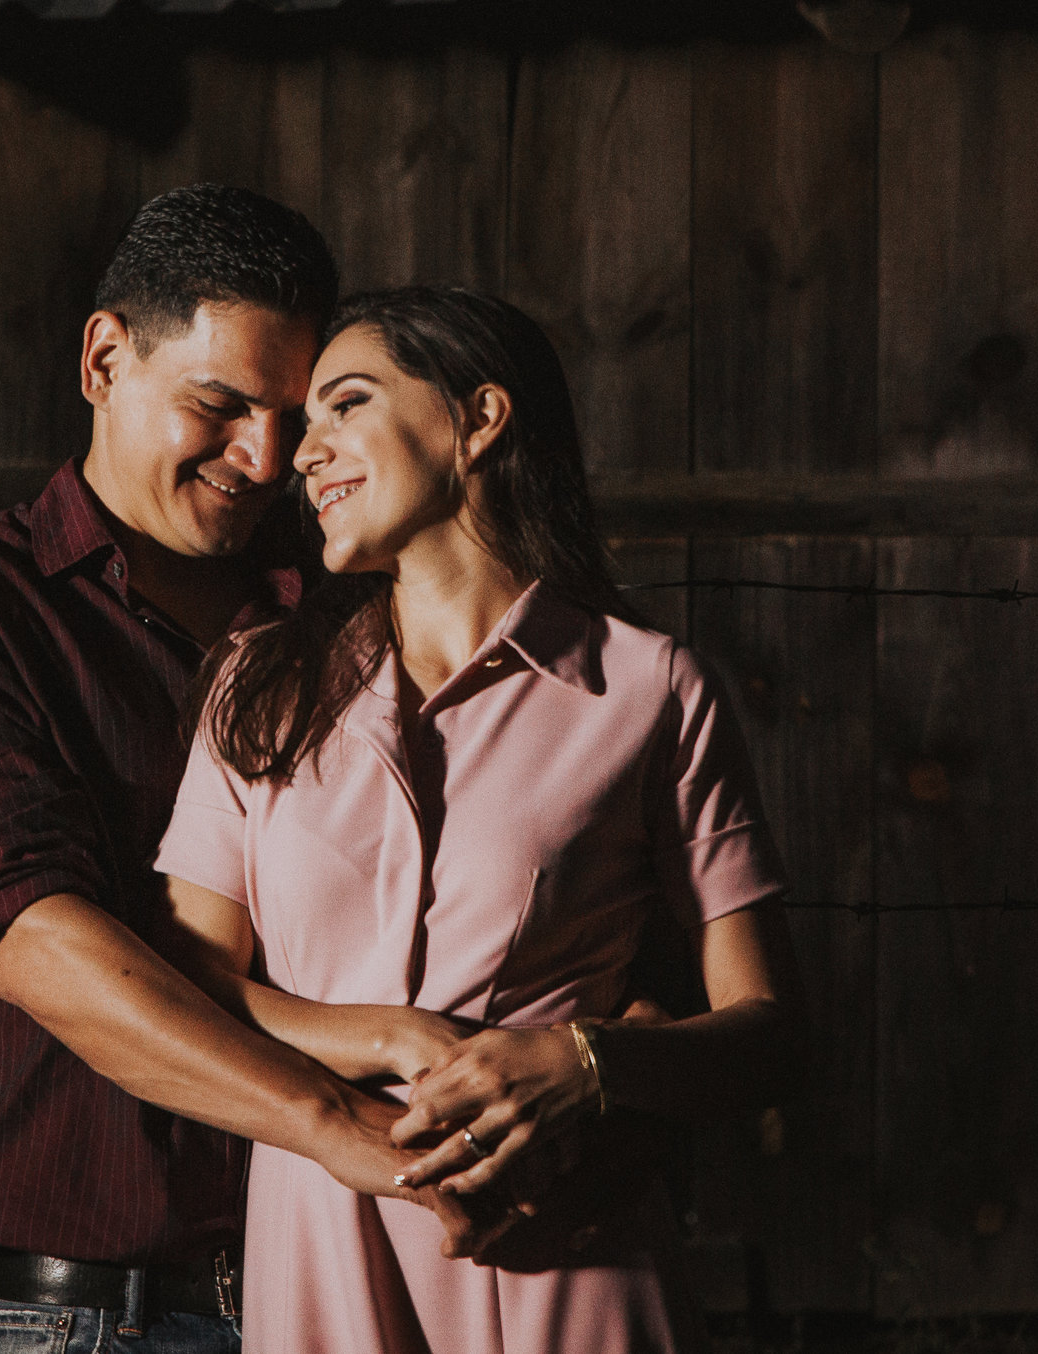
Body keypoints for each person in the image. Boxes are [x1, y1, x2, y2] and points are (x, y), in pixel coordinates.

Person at [0, 189, 518, 1354]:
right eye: (217, 405)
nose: (263, 458)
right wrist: (336, 1121)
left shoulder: (362, 615)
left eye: (293, 415)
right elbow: (39, 945)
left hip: (379, 1283)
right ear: (104, 358)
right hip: (103, 1317)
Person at [155, 286, 804, 1352]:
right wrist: (382, 1036)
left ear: (479, 418)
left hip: (571, 1252)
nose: (300, 455)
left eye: (344, 405)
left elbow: (772, 1033)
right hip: (324, 1240)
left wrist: (583, 1063)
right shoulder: (255, 686)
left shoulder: (650, 688)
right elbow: (189, 983)